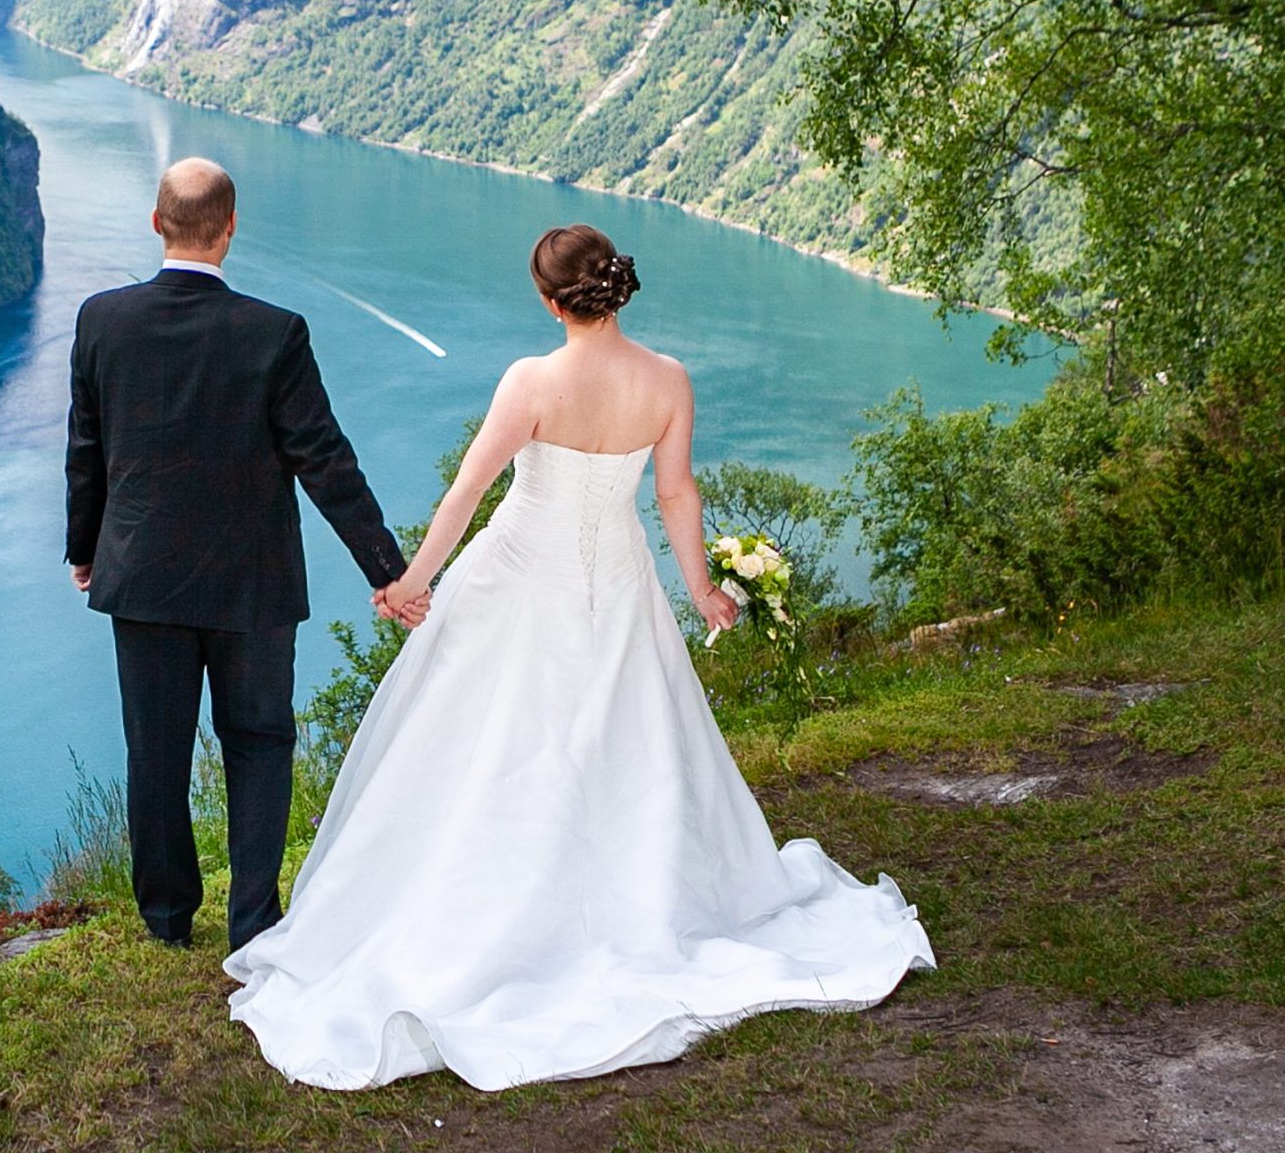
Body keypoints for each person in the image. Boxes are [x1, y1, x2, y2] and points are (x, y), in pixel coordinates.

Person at [226, 221, 934, 1089]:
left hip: (519, 576)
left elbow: (469, 489)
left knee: (489, 745)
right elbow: (674, 492)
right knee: (622, 742)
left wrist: (411, 581)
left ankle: (498, 904)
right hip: (620, 584)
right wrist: (700, 589)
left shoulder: (531, 381)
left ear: (549, 300)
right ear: (611, 287)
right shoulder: (667, 380)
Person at [65, 157, 416, 951]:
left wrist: (85, 549)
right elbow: (325, 461)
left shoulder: (101, 319)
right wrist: (388, 572)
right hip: (251, 583)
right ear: (229, 229)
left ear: (156, 223)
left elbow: (86, 448)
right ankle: (252, 922)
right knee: (258, 743)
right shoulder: (274, 332)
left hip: (142, 575)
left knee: (155, 752)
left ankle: (166, 920)